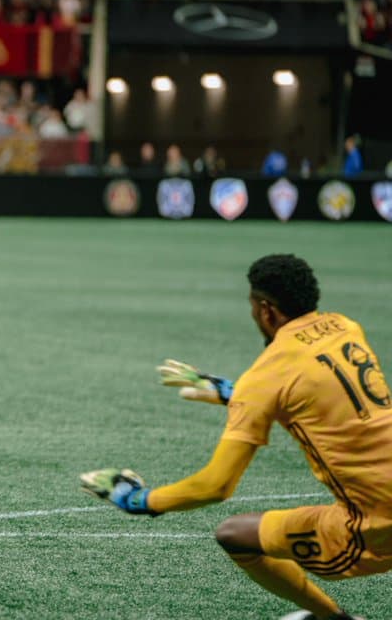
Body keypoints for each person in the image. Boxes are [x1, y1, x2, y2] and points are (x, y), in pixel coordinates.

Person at [80, 254, 391, 620]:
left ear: (266, 310)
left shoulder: (266, 375)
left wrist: (137, 499)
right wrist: (231, 390)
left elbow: (215, 486)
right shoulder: (345, 327)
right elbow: (317, 392)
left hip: (375, 525)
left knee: (235, 535)